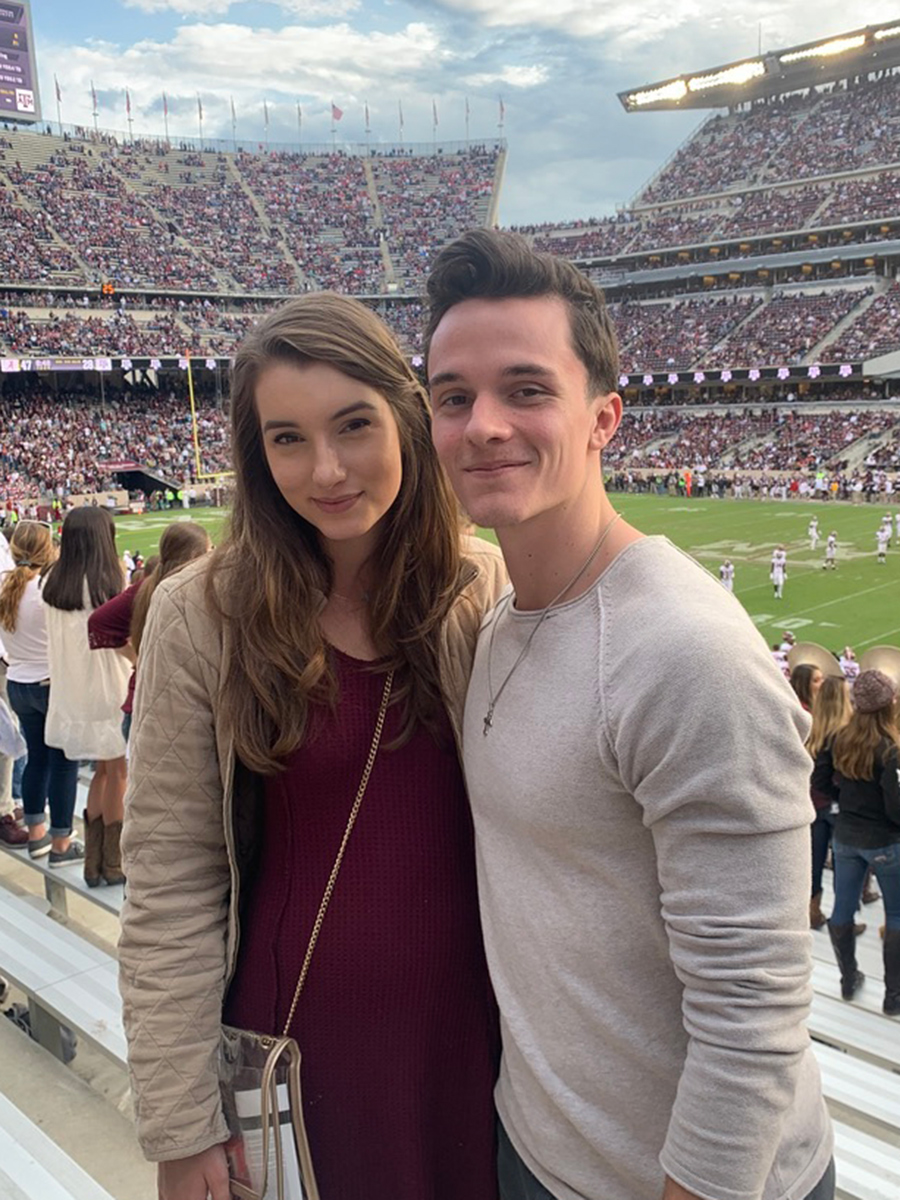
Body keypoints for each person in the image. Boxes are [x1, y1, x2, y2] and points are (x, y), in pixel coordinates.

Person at [425, 230, 833, 1200]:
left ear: (605, 418)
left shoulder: (685, 653)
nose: (482, 424)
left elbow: (754, 1013)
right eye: (452, 397)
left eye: (526, 390)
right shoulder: (500, 622)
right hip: (538, 1147)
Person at [119, 294, 507, 1200]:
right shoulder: (202, 612)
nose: (326, 469)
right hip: (297, 1053)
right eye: (287, 438)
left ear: (405, 418)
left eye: (354, 425)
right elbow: (172, 878)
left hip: (475, 1043)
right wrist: (181, 1128)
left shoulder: (480, 581)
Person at [41, 507, 131, 880]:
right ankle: (113, 862)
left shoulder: (51, 582)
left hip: (73, 687)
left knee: (102, 773)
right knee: (119, 773)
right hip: (110, 685)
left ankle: (94, 861)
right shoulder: (109, 582)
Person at [812, 669, 900, 1015]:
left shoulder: (839, 737)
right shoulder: (890, 749)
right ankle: (893, 995)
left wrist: (845, 801)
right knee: (896, 914)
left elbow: (820, 780)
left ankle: (848, 979)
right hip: (884, 841)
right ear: (888, 704)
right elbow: (896, 808)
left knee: (842, 907)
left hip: (847, 837)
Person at [0, 521, 81, 861]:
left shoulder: (6, 588)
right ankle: (60, 842)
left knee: (36, 759)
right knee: (63, 763)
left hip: (18, 681)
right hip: (50, 683)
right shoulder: (47, 588)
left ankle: (36, 833)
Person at [806, 675, 853, 931]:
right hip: (835, 806)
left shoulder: (812, 726)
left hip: (813, 804)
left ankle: (812, 911)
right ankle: (842, 920)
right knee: (843, 865)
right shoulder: (845, 733)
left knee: (814, 863)